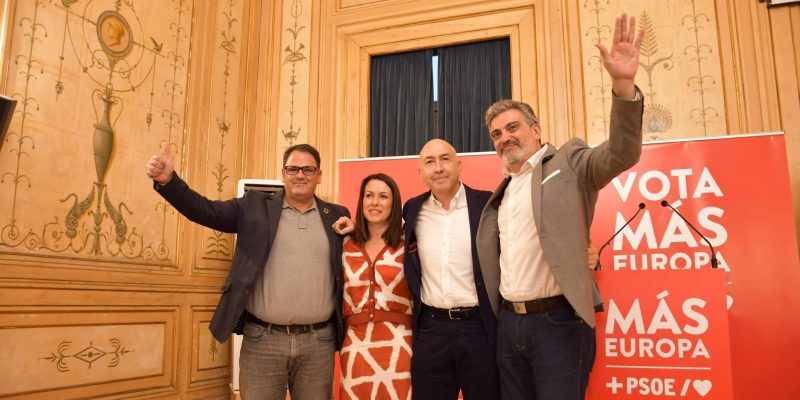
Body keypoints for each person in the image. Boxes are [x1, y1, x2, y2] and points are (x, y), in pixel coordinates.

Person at [476, 12, 645, 400]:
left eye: (513, 127)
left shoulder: (569, 161)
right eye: (497, 134)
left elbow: (621, 153)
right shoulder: (502, 192)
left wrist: (623, 85)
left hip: (559, 324)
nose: (504, 138)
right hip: (509, 325)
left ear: (536, 130)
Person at [146, 143, 350, 399]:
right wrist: (169, 182)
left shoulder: (337, 216)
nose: (300, 175)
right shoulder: (254, 206)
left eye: (308, 169)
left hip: (319, 344)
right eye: (293, 169)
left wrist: (358, 230)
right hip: (263, 341)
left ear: (319, 175)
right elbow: (205, 210)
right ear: (283, 173)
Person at [402, 139, 500, 399]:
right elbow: (381, 230)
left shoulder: (488, 204)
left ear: (459, 165)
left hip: (479, 328)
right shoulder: (412, 210)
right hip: (431, 330)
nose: (438, 168)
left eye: (445, 159)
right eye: (429, 162)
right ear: (421, 172)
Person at [338, 173, 413, 400]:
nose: (375, 202)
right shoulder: (344, 243)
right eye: (369, 195)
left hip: (400, 346)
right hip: (355, 346)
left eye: (383, 196)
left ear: (394, 203)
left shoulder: (409, 242)